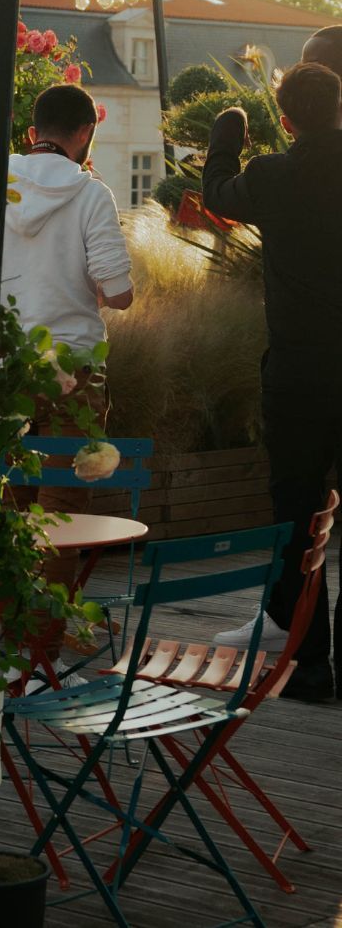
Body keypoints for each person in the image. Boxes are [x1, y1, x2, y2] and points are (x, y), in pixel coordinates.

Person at [203, 61, 342, 703]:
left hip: (298, 375)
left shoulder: (272, 176)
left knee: (297, 515)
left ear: (285, 122)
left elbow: (216, 194)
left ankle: (309, 665)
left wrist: (228, 132)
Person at [2, 84, 134, 676]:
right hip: (73, 371)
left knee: (10, 504)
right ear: (84, 133)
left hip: (4, 365)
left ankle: (7, 642)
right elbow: (119, 293)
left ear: (34, 131)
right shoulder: (91, 193)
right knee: (61, 512)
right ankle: (39, 655)